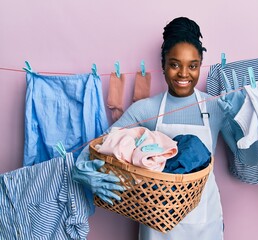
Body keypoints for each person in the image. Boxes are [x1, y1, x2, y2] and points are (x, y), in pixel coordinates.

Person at [72, 16, 246, 240]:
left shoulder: (217, 106)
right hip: (156, 226)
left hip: (205, 222)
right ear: (163, 65)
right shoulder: (146, 109)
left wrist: (239, 121)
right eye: (174, 64)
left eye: (192, 66)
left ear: (200, 66)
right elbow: (97, 147)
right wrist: (81, 173)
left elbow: (249, 159)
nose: (184, 74)